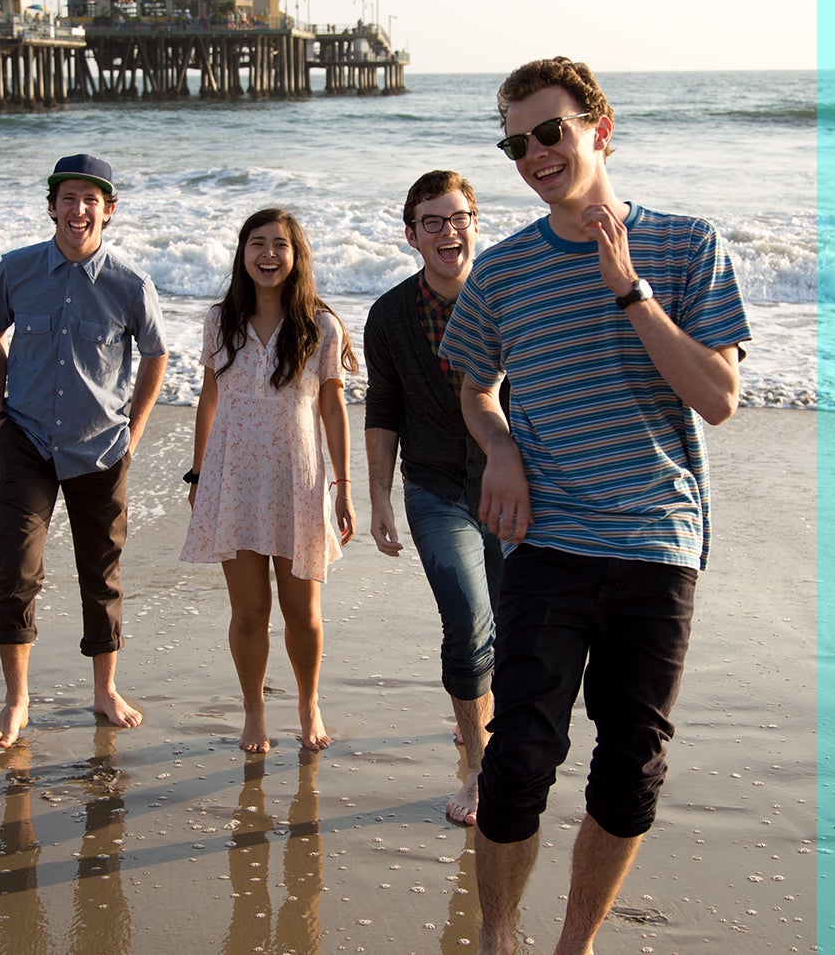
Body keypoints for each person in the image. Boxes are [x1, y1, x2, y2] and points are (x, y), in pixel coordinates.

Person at [438, 57, 751, 955]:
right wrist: (500, 448)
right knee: (517, 765)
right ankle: (500, 942)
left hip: (659, 542)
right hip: (548, 541)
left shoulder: (686, 245)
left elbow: (719, 397)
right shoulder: (501, 274)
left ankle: (572, 946)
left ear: (598, 130)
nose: (534, 154)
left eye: (550, 132)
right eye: (515, 142)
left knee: (629, 773)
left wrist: (631, 292)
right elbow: (474, 389)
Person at [0, 153, 168, 744]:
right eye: (68, 197)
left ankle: (105, 690)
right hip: (27, 442)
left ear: (108, 212)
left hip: (100, 449)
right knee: (16, 569)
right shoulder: (17, 270)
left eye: (91, 199)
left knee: (102, 575)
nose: (78, 209)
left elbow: (157, 355)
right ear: (52, 206)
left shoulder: (130, 284)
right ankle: (17, 701)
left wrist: (132, 434)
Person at [180, 208, 357, 752]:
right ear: (242, 254)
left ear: (296, 256)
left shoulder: (321, 326)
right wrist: (198, 470)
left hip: (297, 481)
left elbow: (333, 408)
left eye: (281, 245)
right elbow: (208, 398)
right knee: (249, 612)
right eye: (257, 244)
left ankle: (308, 704)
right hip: (233, 478)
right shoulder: (219, 320)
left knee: (303, 613)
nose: (269, 255)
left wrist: (344, 487)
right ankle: (254, 711)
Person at [364, 170, 502, 824]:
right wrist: (380, 499)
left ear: (476, 222)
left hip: (513, 485)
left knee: (510, 621)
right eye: (433, 222)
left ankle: (483, 716)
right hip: (435, 488)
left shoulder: (511, 296)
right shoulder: (391, 315)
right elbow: (383, 409)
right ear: (412, 235)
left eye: (460, 217)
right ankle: (479, 769)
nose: (450, 232)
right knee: (468, 617)